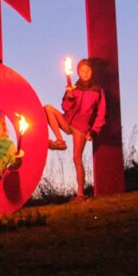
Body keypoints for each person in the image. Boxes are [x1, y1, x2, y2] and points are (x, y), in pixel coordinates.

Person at [46, 57, 110, 199]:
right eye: (82, 70)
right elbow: (65, 107)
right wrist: (69, 97)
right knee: (48, 109)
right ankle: (60, 141)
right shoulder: (73, 88)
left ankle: (80, 194)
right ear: (78, 73)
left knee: (76, 158)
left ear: (92, 72)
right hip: (67, 121)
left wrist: (93, 131)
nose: (85, 73)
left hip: (81, 128)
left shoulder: (98, 90)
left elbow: (101, 113)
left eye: (88, 70)